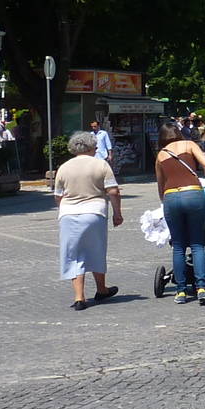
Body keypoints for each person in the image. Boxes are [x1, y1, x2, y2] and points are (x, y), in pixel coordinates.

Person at [54, 130, 124, 310]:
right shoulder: (101, 165)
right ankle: (101, 288)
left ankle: (79, 297)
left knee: (74, 253)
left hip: (68, 213)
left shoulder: (64, 167)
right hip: (94, 212)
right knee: (96, 250)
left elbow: (58, 195)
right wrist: (117, 213)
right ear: (91, 146)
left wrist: (64, 209)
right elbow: (113, 191)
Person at [155, 120, 205, 304]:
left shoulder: (160, 155)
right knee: (197, 244)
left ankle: (180, 291)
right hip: (193, 194)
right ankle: (202, 288)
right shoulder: (190, 145)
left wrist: (165, 200)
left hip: (171, 196)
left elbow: (160, 185)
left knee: (178, 245)